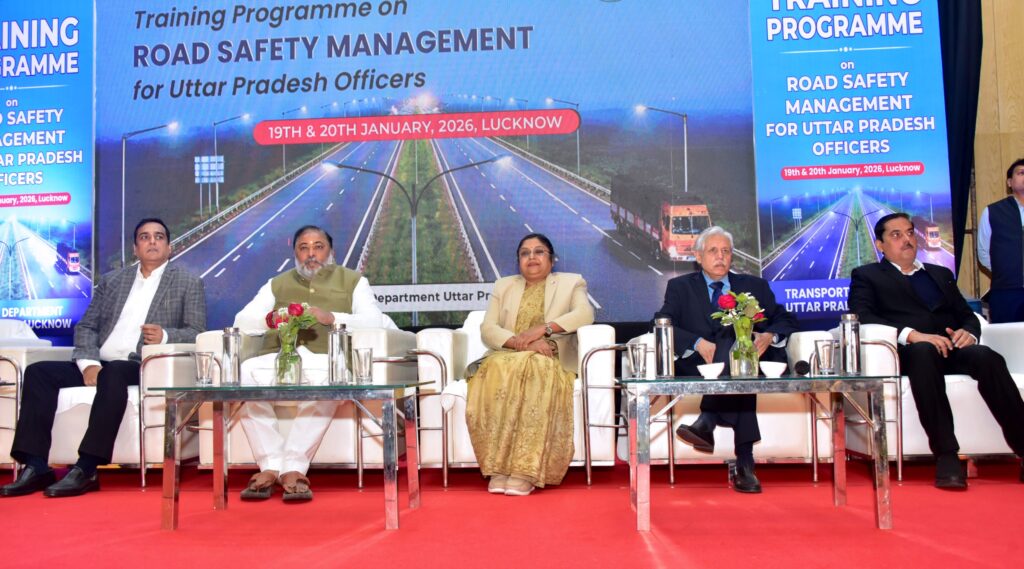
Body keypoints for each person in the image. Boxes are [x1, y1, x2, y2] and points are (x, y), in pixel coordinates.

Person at [1, 218, 206, 498]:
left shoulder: (188, 282)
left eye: (159, 237)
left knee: (115, 371)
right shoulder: (112, 281)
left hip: (140, 365)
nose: (152, 241)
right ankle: (36, 466)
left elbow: (197, 331)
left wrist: (166, 335)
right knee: (38, 372)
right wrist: (88, 364)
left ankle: (87, 467)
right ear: (135, 248)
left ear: (169, 247)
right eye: (145, 237)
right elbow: (86, 327)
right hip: (100, 363)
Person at [850, 212, 1024, 489]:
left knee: (988, 358)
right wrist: (912, 335)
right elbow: (863, 315)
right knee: (923, 353)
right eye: (896, 235)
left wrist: (969, 333)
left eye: (909, 233)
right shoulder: (867, 276)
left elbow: (966, 314)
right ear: (880, 245)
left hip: (952, 348)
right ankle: (946, 455)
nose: (907, 239)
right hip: (909, 352)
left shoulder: (939, 274)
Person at [232, 225, 392, 502]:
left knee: (331, 379)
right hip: (280, 357)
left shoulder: (353, 281)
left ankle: (293, 467)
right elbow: (242, 321)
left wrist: (332, 318)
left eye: (318, 247)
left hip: (325, 359)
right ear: (295, 253)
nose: (311, 254)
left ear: (331, 251)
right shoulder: (276, 283)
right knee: (244, 374)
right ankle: (270, 463)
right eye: (303, 248)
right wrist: (273, 318)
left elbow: (373, 321)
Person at [655, 226, 798, 493]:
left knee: (737, 349)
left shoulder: (754, 286)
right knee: (738, 364)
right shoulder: (680, 287)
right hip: (700, 365)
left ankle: (707, 420)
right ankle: (745, 463)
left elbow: (786, 318)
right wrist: (697, 343)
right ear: (698, 256)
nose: (720, 256)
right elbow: (661, 322)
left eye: (726, 251)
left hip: (750, 362)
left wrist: (769, 336)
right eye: (713, 251)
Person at [466, 233, 594, 497]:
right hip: (508, 354)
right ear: (518, 261)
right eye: (525, 253)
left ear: (552, 259)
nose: (532, 257)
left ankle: (525, 470)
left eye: (539, 252)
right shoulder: (504, 286)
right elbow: (488, 329)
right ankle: (499, 467)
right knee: (493, 370)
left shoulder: (572, 282)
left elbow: (585, 314)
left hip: (549, 356)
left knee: (536, 367)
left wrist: (543, 329)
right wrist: (521, 343)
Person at [977, 157, 1024, 323]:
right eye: (1021, 173)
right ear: (1009, 182)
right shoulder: (993, 211)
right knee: (1006, 338)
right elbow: (983, 252)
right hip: (1006, 292)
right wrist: (1004, 270)